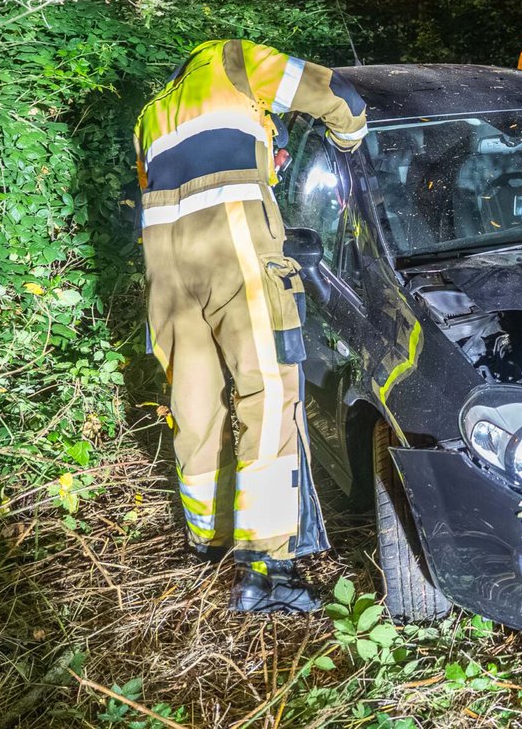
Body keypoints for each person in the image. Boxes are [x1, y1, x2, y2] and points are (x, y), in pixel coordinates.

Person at [135, 39, 368, 613]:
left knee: (196, 402)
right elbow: (342, 96)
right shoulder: (230, 60)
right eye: (279, 156)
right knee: (268, 390)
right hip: (232, 242)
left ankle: (209, 537)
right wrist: (350, 141)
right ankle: (267, 568)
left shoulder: (151, 114)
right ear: (267, 127)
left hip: (164, 266)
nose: (279, 168)